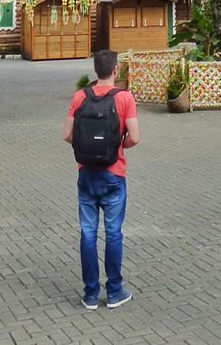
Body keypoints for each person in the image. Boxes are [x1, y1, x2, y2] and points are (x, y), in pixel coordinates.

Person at [64, 49, 140, 310]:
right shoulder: (124, 98)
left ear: (95, 71)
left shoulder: (79, 97)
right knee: (113, 233)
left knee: (87, 233)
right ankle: (115, 291)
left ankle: (90, 294)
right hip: (114, 174)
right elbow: (135, 136)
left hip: (86, 174)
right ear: (116, 70)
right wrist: (118, 147)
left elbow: (67, 135)